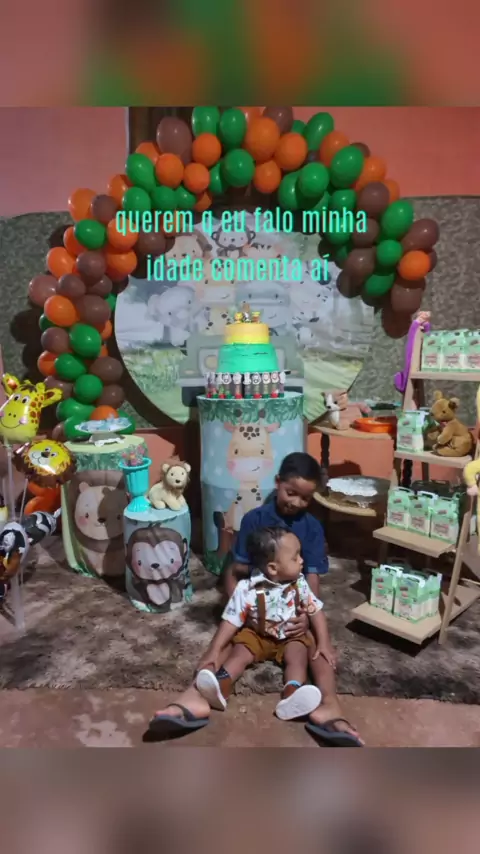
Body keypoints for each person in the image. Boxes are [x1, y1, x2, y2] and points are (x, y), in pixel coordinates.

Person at [149, 452, 364, 746]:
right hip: (255, 607)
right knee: (229, 638)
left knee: (317, 647)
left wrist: (307, 618)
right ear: (277, 482)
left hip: (293, 613)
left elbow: (312, 578)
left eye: (305, 498)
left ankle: (328, 704)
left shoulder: (312, 528)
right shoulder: (255, 519)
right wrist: (238, 606)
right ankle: (197, 695)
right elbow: (234, 570)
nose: (296, 503)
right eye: (290, 493)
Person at [195, 526, 326, 721]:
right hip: (258, 634)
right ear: (273, 568)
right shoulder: (247, 589)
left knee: (298, 657)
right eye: (295, 557)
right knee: (239, 653)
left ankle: (292, 693)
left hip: (291, 636)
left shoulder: (300, 584)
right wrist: (214, 650)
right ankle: (222, 684)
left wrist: (324, 643)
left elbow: (316, 612)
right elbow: (231, 620)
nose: (302, 560)